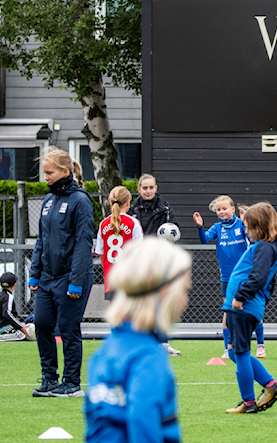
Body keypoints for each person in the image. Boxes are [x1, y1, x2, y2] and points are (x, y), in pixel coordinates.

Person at [85, 237, 191, 443]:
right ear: (165, 292)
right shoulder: (149, 356)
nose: (186, 300)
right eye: (185, 290)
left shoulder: (106, 350)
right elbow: (142, 420)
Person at [29, 146, 96, 398]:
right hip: (48, 277)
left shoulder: (80, 200)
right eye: (44, 173)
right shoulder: (47, 200)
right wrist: (35, 272)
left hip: (72, 276)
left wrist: (76, 281)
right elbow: (41, 240)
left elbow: (83, 243)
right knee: (42, 323)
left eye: (49, 172)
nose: (45, 177)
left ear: (64, 172)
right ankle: (49, 378)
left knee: (68, 328)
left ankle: (71, 383)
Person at [223, 202, 277, 415]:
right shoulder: (266, 247)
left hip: (243, 306)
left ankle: (249, 402)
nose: (246, 232)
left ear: (259, 228)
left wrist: (241, 297)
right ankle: (270, 385)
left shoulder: (264, 247)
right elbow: (271, 283)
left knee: (239, 353)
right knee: (233, 352)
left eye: (249, 228)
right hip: (247, 306)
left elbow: (259, 277)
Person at [194, 195, 265, 360]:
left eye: (224, 208)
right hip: (227, 277)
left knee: (254, 309)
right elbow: (204, 240)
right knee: (227, 312)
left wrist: (246, 223)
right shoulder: (217, 228)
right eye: (218, 210)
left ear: (233, 209)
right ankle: (228, 348)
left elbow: (252, 241)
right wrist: (200, 227)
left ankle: (260, 345)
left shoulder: (241, 225)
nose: (221, 212)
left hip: (245, 276)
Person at [93, 186, 144, 300]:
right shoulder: (133, 223)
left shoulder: (103, 224)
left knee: (116, 314)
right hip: (129, 277)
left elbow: (101, 253)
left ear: (110, 203)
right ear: (128, 203)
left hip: (111, 278)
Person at [0, 272, 31, 342]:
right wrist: (21, 327)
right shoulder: (8, 296)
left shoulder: (0, 295)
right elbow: (7, 313)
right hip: (5, 326)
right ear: (14, 284)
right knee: (22, 336)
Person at [131, 174, 174, 238]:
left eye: (151, 187)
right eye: (145, 188)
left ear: (156, 188)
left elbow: (174, 230)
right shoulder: (131, 210)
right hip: (138, 247)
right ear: (139, 189)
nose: (148, 191)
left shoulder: (165, 210)